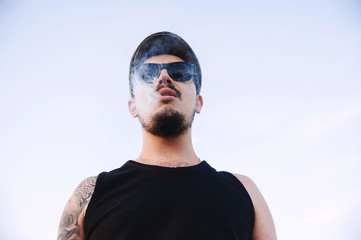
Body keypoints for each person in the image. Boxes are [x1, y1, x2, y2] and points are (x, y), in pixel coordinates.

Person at [57, 31, 277, 240]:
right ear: (132, 106)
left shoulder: (245, 191)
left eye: (180, 71)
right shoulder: (90, 195)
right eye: (147, 74)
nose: (163, 77)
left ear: (199, 102)